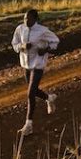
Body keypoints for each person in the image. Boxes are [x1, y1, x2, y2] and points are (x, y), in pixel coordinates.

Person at [11, 9, 60, 137]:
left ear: (35, 19)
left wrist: (45, 50)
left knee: (30, 93)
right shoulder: (20, 29)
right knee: (34, 90)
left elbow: (55, 41)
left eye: (29, 18)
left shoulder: (43, 31)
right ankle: (49, 98)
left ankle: (28, 125)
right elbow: (14, 44)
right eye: (24, 18)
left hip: (38, 64)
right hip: (26, 65)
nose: (26, 21)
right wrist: (22, 47)